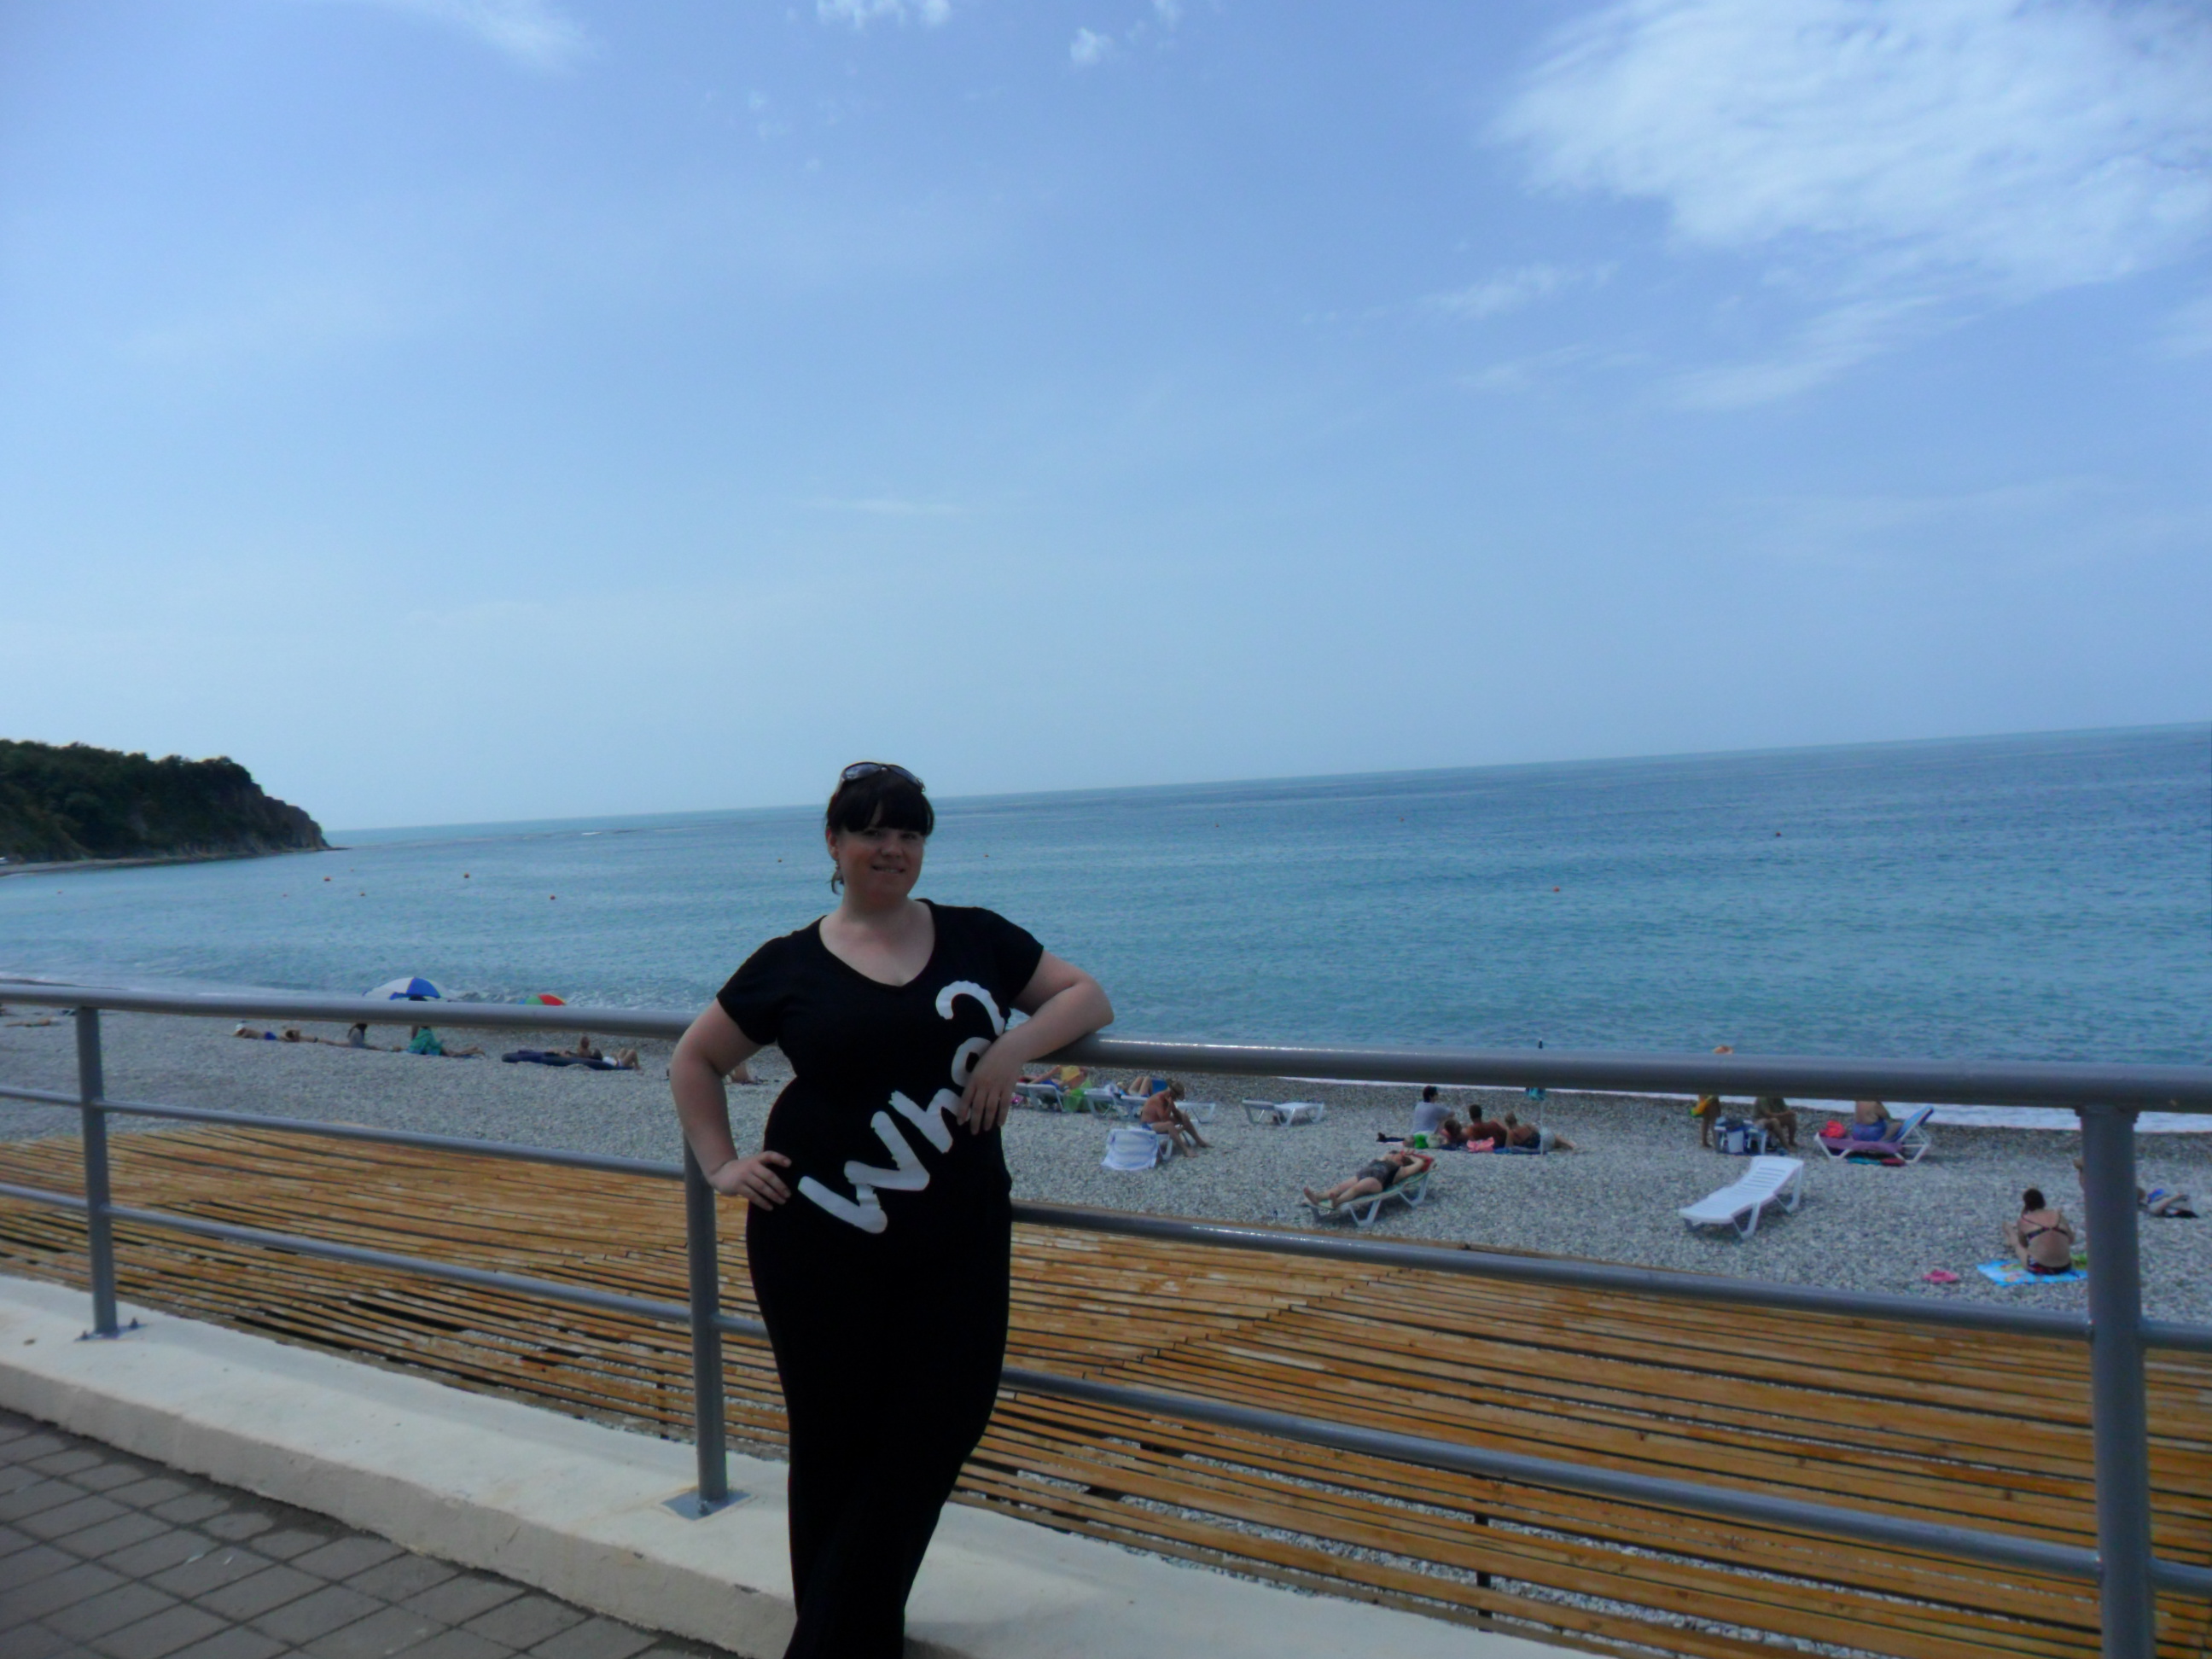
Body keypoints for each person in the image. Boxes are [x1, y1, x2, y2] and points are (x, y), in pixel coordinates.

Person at [670, 762, 1113, 1659]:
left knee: (942, 1421)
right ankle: (850, 1641)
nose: (893, 849)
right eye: (872, 831)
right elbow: (694, 1060)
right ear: (834, 844)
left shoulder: (976, 937)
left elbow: (1085, 996)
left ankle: (828, 1642)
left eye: (910, 833)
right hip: (813, 1235)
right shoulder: (788, 962)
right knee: (832, 1442)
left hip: (958, 1236)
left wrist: (1011, 1051)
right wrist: (720, 1165)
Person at [1304, 1149, 1433, 1210]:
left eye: (1399, 1156)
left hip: (1377, 1181)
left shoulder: (1401, 1170)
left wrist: (1411, 1156)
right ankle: (1318, 1197)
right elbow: (1387, 1153)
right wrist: (1396, 1154)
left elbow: (1420, 1163)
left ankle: (1338, 1201)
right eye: (1395, 1154)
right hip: (1363, 1174)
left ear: (1403, 1161)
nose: (1395, 1155)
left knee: (1357, 1188)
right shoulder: (1383, 1159)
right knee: (1340, 1187)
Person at [2005, 1188, 2076, 1275]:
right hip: (2065, 1266)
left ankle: (2008, 1229)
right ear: (2043, 1201)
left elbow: (2024, 1245)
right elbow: (2071, 1240)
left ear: (2026, 1204)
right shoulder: (2058, 1215)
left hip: (2040, 1268)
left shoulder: (2024, 1220)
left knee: (2018, 1246)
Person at [1139, 1080, 1208, 1153]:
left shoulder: (1168, 1098)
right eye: (1176, 1097)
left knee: (1184, 1116)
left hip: (1159, 1121)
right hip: (1148, 1125)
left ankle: (1199, 1141)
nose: (1176, 1099)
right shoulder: (1158, 1100)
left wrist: (1184, 1119)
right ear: (1172, 1094)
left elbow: (1175, 1112)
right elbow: (1164, 1119)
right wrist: (1169, 1106)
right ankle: (1185, 1150)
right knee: (1169, 1125)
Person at [1502, 1111, 1577, 1153]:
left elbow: (1508, 1148)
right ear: (1516, 1120)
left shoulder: (1511, 1133)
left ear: (1507, 1123)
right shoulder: (1527, 1125)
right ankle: (1569, 1144)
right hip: (1546, 1137)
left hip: (1540, 1146)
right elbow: (1538, 1132)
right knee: (1551, 1136)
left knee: (1550, 1145)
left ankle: (1564, 1146)